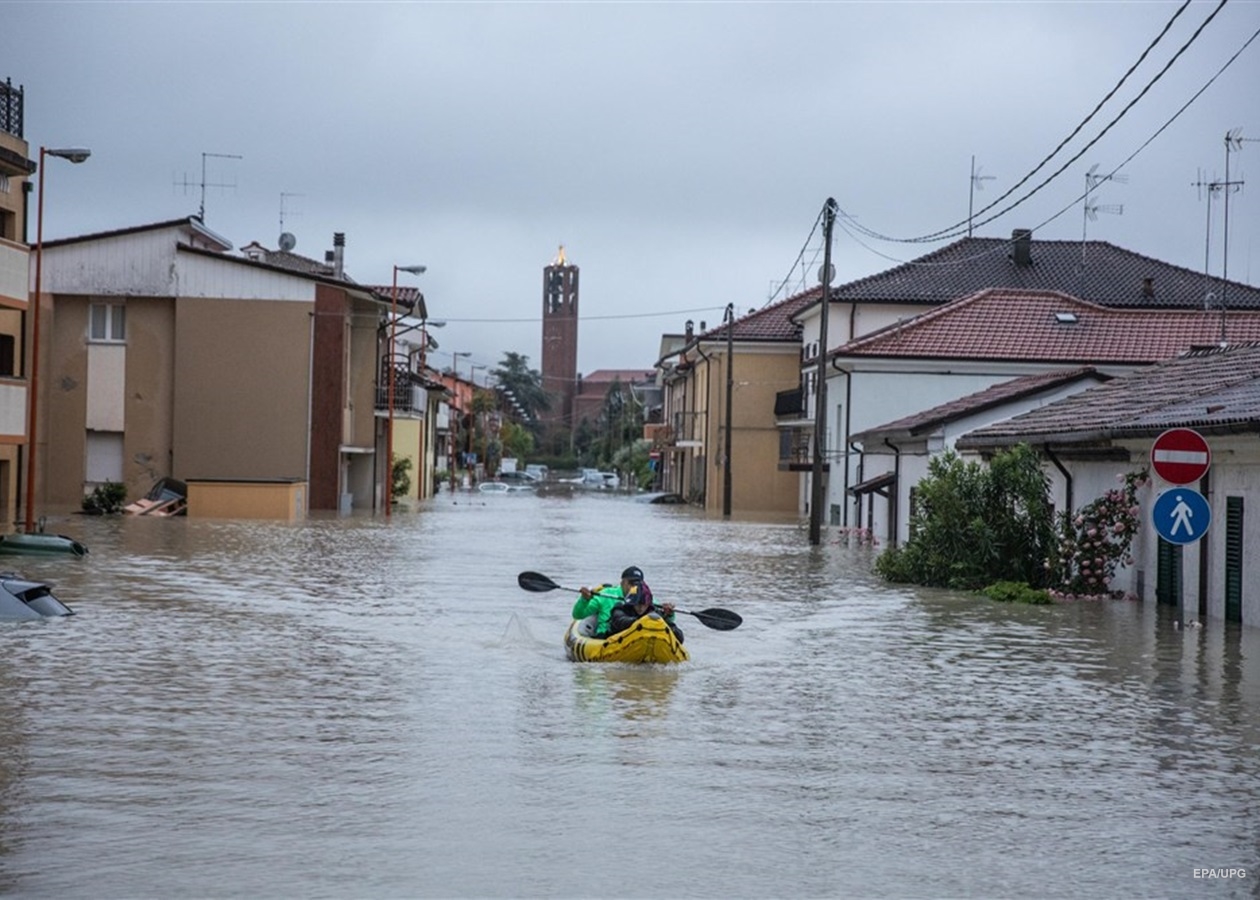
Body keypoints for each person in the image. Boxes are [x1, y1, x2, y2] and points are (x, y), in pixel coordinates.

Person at [607, 566, 684, 644]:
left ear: (648, 604)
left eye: (644, 604)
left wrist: (666, 618)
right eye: (637, 604)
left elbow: (680, 637)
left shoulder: (654, 612)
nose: (641, 608)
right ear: (632, 602)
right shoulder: (619, 609)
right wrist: (646, 621)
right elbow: (621, 622)